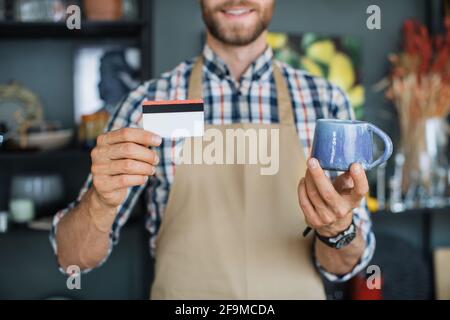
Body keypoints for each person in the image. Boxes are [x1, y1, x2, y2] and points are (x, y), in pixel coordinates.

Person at [51, 0, 375, 299]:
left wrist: (337, 230)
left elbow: (344, 265)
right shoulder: (148, 104)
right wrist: (100, 203)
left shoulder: (326, 103)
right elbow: (72, 259)